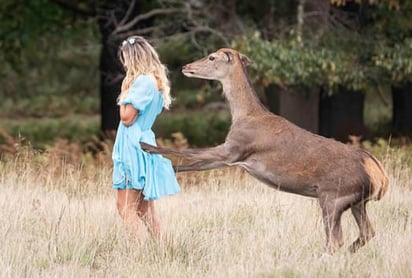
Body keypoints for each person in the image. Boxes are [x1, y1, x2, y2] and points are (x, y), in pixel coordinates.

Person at [112, 35, 181, 239]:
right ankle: (162, 248)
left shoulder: (142, 82)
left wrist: (125, 92)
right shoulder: (154, 82)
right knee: (144, 208)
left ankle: (139, 252)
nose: (124, 64)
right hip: (142, 141)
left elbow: (126, 118)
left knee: (125, 206)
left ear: (133, 58)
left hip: (133, 146)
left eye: (125, 58)